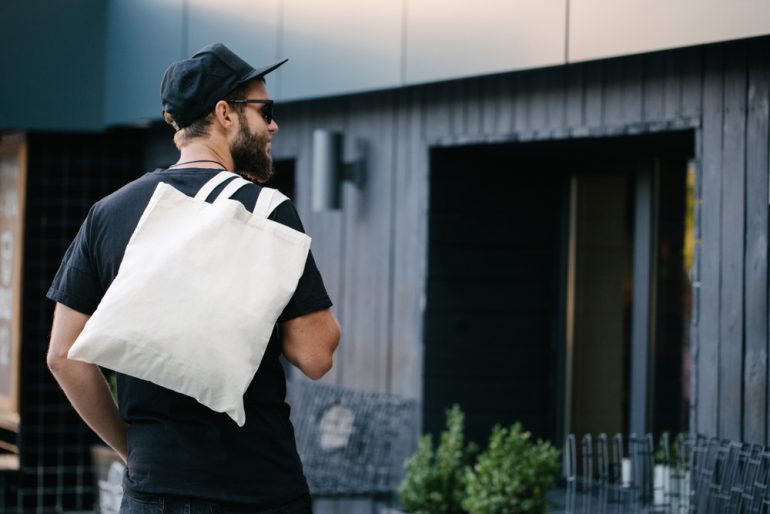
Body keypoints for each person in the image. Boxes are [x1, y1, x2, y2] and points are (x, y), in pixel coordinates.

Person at [46, 42, 340, 514]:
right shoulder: (264, 211)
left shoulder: (109, 212)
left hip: (152, 489)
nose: (273, 125)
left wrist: (132, 450)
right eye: (265, 110)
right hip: (255, 488)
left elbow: (63, 356)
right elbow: (316, 354)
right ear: (225, 113)